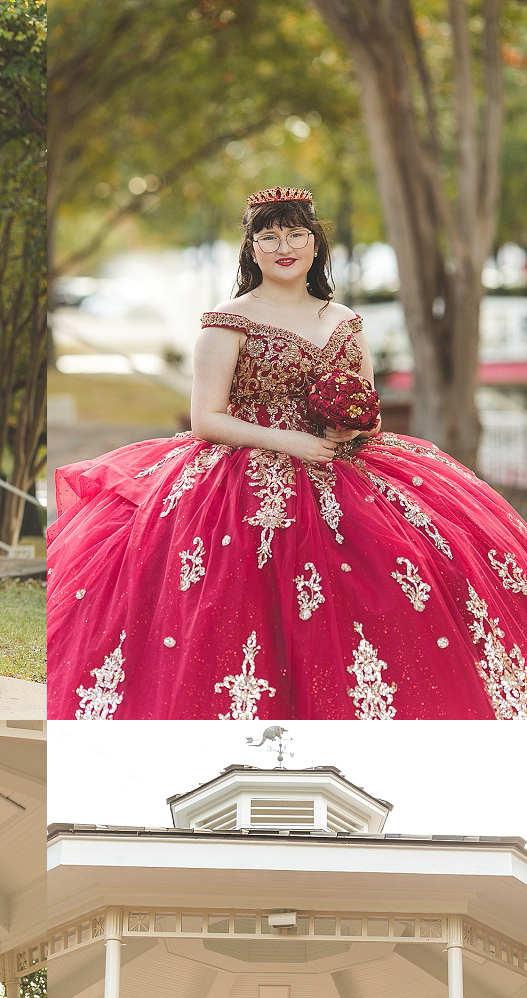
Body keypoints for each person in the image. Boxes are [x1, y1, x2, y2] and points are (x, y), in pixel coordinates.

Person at [47, 186, 527, 720]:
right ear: (251, 248)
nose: (284, 247)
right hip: (243, 472)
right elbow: (207, 419)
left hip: (345, 466)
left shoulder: (343, 319)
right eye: (270, 236)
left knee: (414, 573)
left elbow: (368, 408)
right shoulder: (228, 320)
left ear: (315, 244)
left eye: (296, 234)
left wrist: (350, 427)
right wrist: (293, 442)